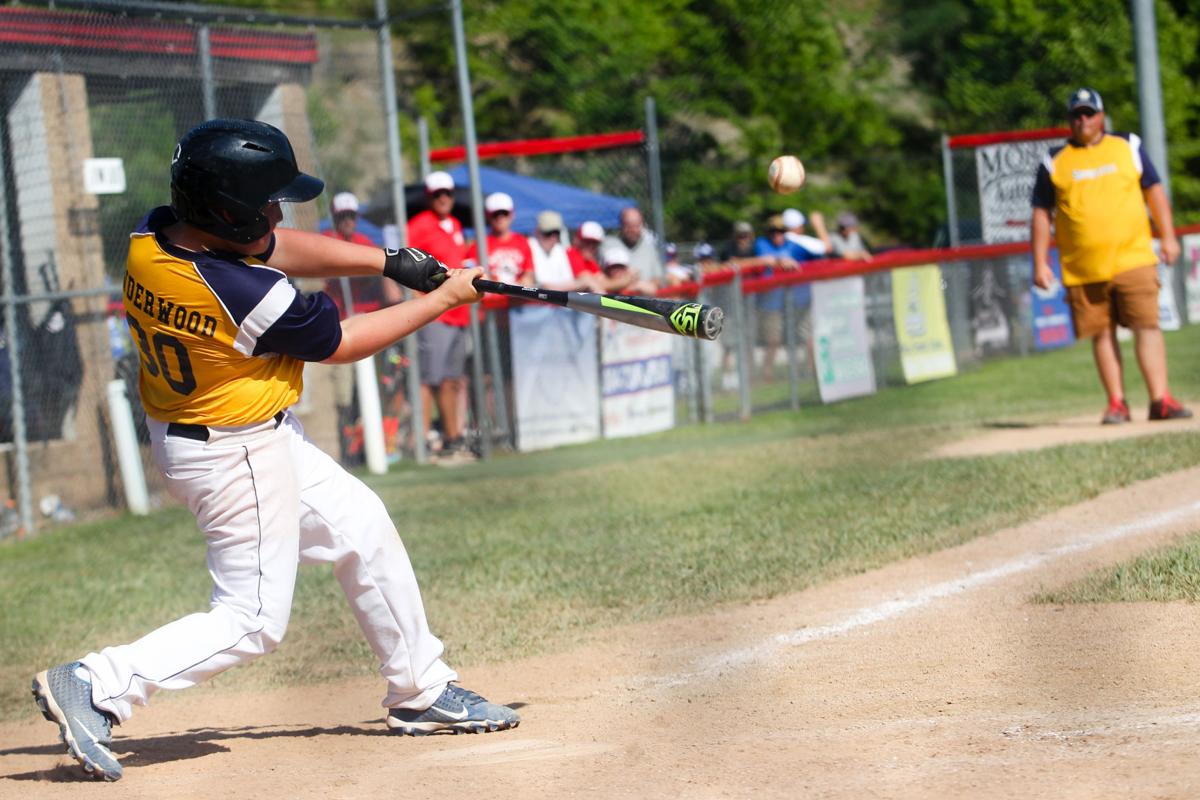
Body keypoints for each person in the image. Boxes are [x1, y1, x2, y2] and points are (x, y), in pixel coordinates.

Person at [30, 119, 518, 782]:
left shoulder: (156, 236)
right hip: (236, 454)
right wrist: (445, 298)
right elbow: (342, 341)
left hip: (222, 435)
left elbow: (274, 245)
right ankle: (97, 683)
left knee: (361, 525)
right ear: (228, 213)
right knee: (252, 620)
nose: (277, 212)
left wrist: (388, 260)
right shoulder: (248, 295)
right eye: (266, 203)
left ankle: (420, 690)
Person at [1031, 87, 1191, 424]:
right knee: (1101, 333)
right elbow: (1041, 213)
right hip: (1083, 267)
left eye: (1089, 112)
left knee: (1147, 326)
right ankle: (1116, 403)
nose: (1083, 119)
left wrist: (1168, 238)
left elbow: (1154, 191)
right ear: (1069, 120)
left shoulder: (1126, 146)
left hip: (1134, 257)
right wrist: (1040, 261)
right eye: (1077, 114)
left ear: (1102, 115)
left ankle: (1160, 399)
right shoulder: (1054, 160)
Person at [408, 170, 474, 458]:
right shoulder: (419, 225)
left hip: (458, 311)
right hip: (435, 309)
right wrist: (417, 305)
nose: (444, 198)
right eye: (438, 194)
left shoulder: (456, 224)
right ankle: (428, 438)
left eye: (447, 193)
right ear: (429, 197)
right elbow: (405, 261)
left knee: (452, 378)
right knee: (431, 378)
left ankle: (452, 435)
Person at [754, 213, 819, 381]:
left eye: (781, 231)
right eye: (773, 231)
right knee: (773, 340)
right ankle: (766, 375)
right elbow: (766, 259)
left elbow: (819, 255)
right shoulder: (762, 244)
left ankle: (810, 371)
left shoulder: (793, 244)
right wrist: (780, 261)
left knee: (805, 336)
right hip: (772, 302)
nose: (777, 235)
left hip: (795, 300)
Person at [529, 210, 602, 292]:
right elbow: (545, 286)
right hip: (536, 302)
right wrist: (583, 283)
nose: (553, 237)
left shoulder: (559, 250)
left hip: (557, 301)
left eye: (557, 233)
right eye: (548, 233)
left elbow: (567, 281)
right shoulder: (529, 247)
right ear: (537, 232)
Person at [603, 206, 664, 287]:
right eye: (628, 225)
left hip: (645, 297)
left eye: (636, 226)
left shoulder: (650, 247)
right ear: (621, 225)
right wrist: (627, 282)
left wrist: (646, 287)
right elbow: (599, 279)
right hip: (615, 297)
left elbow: (657, 279)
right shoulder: (608, 245)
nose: (632, 230)